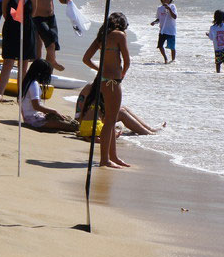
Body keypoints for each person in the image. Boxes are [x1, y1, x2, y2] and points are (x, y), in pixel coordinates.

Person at [82, 12, 131, 168]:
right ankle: (105, 159)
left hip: (103, 80)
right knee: (110, 120)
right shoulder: (120, 35)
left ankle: (113, 156)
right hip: (113, 81)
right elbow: (127, 61)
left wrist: (100, 69)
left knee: (110, 118)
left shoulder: (102, 36)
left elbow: (86, 59)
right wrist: (121, 75)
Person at [0, 0, 37, 100]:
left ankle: (21, 94)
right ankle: (0, 93)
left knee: (23, 64)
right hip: (11, 29)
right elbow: (4, 13)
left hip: (26, 29)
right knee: (8, 62)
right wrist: (15, 18)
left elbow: (33, 12)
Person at [29, 0, 72, 72]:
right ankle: (52, 62)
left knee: (51, 46)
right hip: (37, 18)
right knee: (51, 40)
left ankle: (47, 71)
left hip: (51, 18)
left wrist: (66, 0)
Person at [74, 82, 163, 136]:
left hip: (89, 118)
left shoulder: (93, 86)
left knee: (123, 108)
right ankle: (147, 133)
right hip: (88, 122)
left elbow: (80, 105)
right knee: (122, 112)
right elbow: (80, 106)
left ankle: (149, 129)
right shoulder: (100, 87)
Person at [18, 59, 80, 132]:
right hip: (34, 120)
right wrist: (54, 111)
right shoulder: (34, 84)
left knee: (64, 119)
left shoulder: (27, 82)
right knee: (72, 126)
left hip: (30, 118)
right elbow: (36, 106)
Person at [150, 0, 178, 64]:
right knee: (160, 46)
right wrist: (154, 22)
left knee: (172, 47)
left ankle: (173, 60)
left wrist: (169, 9)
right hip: (162, 30)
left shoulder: (172, 6)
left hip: (171, 30)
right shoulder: (159, 8)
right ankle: (165, 59)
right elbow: (158, 19)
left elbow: (174, 17)